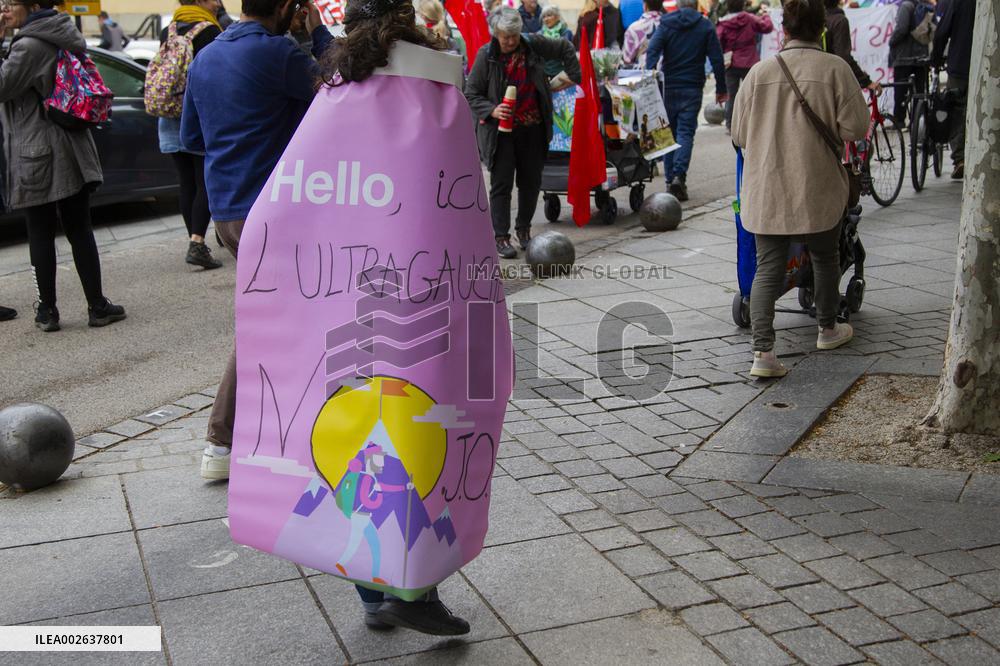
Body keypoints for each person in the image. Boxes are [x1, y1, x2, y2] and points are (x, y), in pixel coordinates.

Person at [313, 0, 491, 635]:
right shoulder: (433, 87)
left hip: (344, 292)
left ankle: (372, 594)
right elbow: (458, 193)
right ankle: (413, 595)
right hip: (422, 292)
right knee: (422, 437)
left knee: (363, 433)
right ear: (411, 23)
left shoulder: (336, 95)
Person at [181, 0, 333, 480]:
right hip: (273, 209)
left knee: (281, 315)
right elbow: (341, 94)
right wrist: (321, 34)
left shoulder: (206, 54)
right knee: (268, 321)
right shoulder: (278, 53)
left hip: (227, 209)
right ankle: (222, 443)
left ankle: (274, 431)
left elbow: (192, 137)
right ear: (288, 7)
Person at [732, 0, 867, 377]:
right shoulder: (836, 69)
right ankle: (827, 328)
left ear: (785, 30)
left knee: (768, 268)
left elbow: (739, 134)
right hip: (819, 186)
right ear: (821, 29)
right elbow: (856, 128)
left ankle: (763, 354)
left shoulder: (758, 73)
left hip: (767, 189)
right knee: (825, 257)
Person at [0, 0, 126, 332]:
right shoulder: (59, 33)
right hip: (72, 144)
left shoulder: (28, 45)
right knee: (79, 229)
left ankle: (47, 311)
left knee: (40, 232)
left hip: (37, 151)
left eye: (10, 3)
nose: (4, 9)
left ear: (32, 5)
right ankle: (97, 305)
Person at [465, 7, 581, 258]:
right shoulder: (487, 56)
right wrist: (492, 110)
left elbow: (564, 48)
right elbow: (471, 93)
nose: (510, 41)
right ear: (495, 33)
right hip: (501, 134)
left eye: (514, 36)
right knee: (501, 184)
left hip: (533, 127)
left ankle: (524, 231)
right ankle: (501, 237)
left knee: (530, 183)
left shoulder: (532, 44)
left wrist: (572, 75)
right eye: (505, 36)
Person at [158, 0, 224, 271]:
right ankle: (197, 242)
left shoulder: (169, 30)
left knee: (186, 182)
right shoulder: (209, 31)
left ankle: (194, 240)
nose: (217, 2)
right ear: (199, 2)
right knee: (205, 180)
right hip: (198, 114)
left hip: (169, 114)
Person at [645, 0, 727, 201]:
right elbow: (717, 58)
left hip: (669, 86)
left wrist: (649, 76)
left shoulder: (666, 24)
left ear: (679, 5)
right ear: (696, 5)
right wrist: (721, 88)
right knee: (685, 133)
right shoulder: (705, 25)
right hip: (692, 86)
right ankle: (679, 178)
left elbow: (652, 50)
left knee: (669, 133)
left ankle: (670, 180)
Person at [931, 0, 973, 179]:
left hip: (960, 65)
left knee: (957, 109)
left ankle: (960, 158)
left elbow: (941, 33)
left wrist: (936, 59)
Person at [716, 0, 771, 131]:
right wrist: (766, 16)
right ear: (742, 5)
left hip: (731, 63)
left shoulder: (723, 23)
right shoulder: (750, 18)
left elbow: (718, 42)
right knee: (752, 94)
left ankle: (730, 125)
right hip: (750, 62)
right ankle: (753, 125)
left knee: (731, 95)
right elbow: (766, 27)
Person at [889, 0, 933, 126]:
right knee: (919, 92)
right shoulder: (924, 6)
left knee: (900, 91)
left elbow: (901, 29)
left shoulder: (905, 6)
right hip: (921, 57)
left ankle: (899, 121)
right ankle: (918, 120)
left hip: (904, 57)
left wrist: (891, 41)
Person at [823, 0, 880, 93]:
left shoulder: (812, 21)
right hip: (834, 82)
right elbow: (844, 57)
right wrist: (866, 81)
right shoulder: (839, 21)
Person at [622, 0, 662, 67]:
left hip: (642, 74)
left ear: (645, 6)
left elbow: (627, 59)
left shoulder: (634, 28)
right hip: (668, 73)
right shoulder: (671, 25)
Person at [540, 5, 573, 77]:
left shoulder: (566, 32)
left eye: (549, 15)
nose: (546, 19)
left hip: (563, 72)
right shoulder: (540, 34)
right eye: (544, 17)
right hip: (545, 73)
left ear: (557, 17)